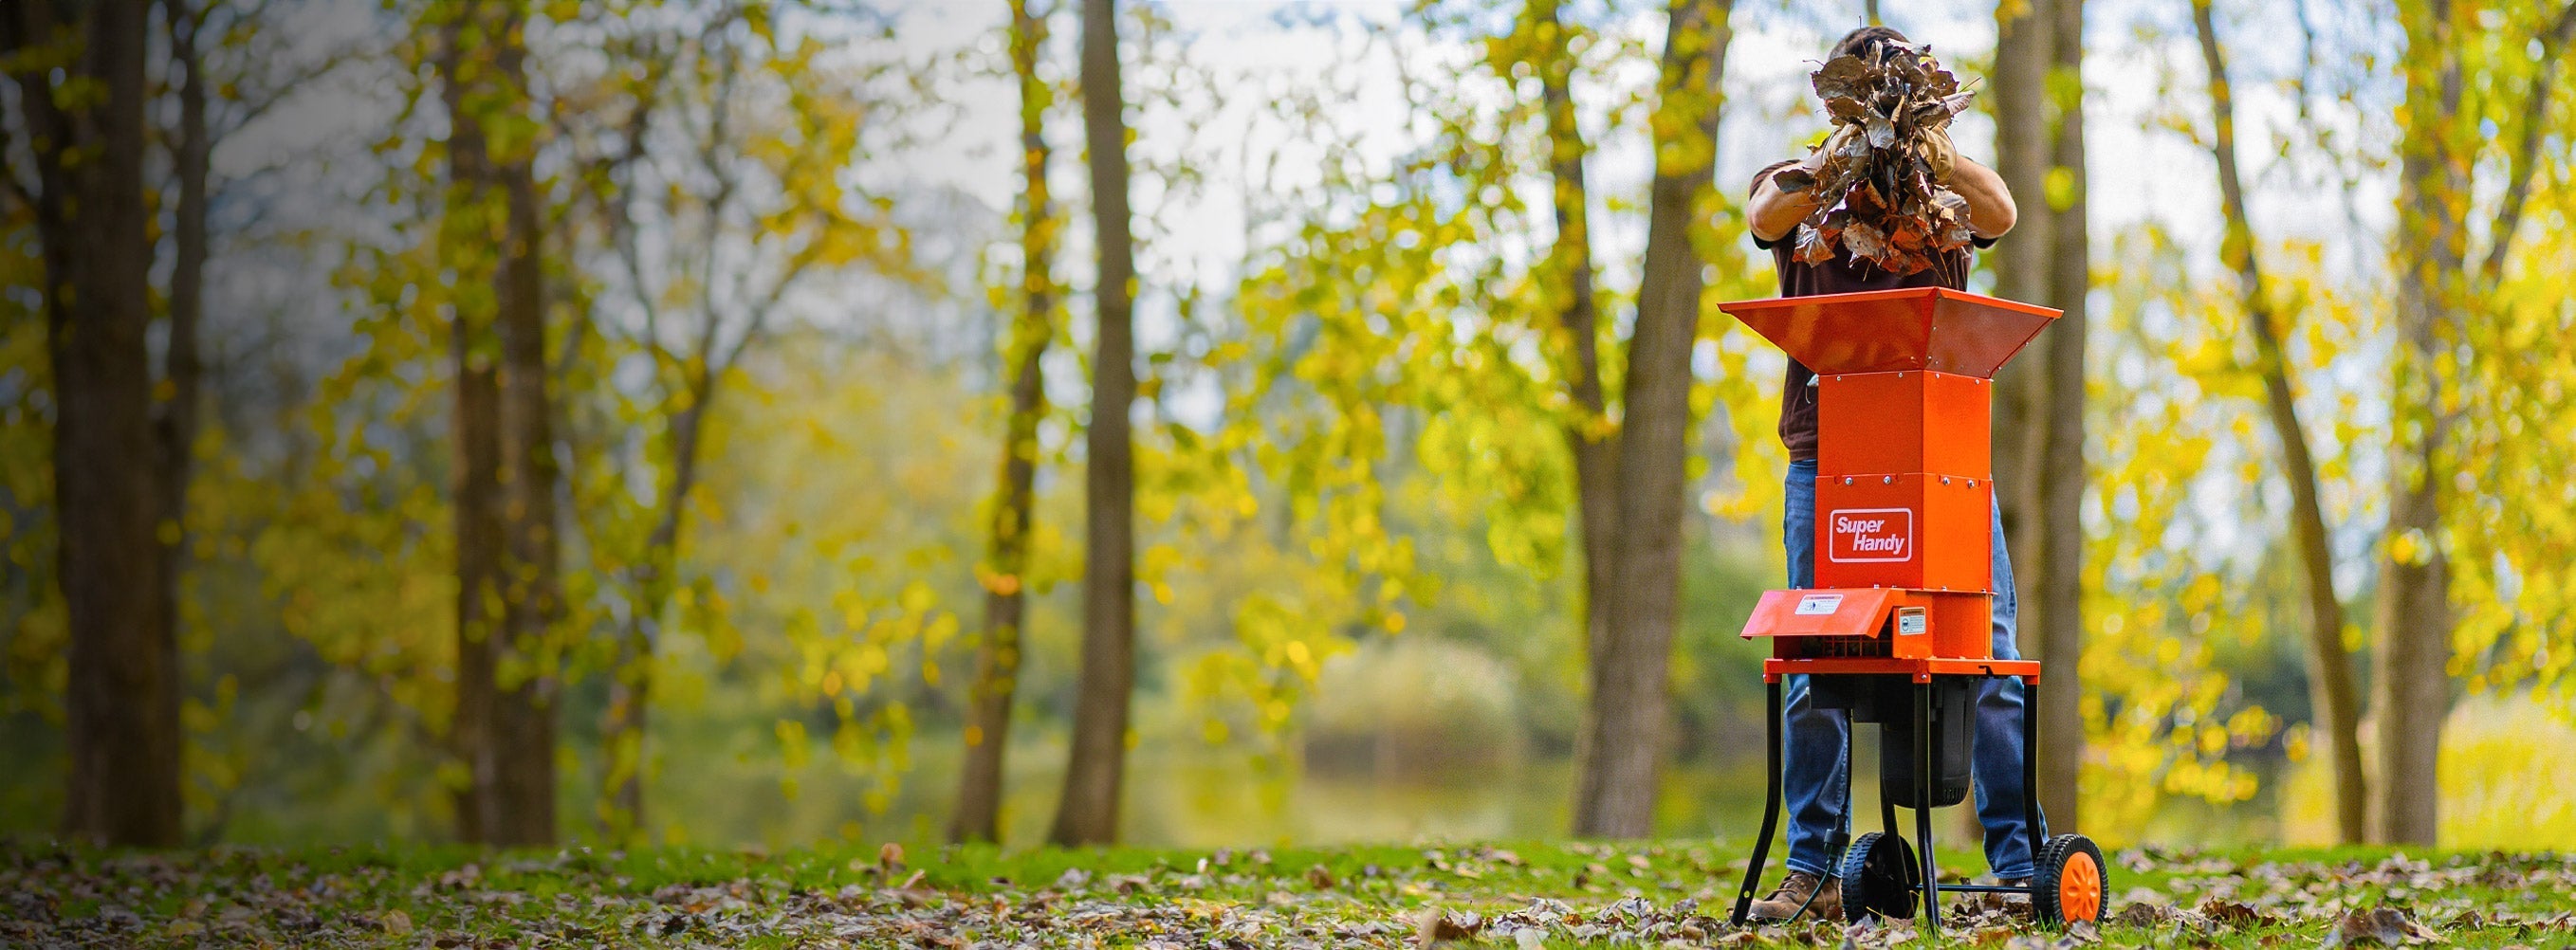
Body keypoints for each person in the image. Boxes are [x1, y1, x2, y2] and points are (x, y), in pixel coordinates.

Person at [1737, 25, 2040, 923]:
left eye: (1895, 79)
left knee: (1987, 649)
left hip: (1940, 460)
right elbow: (1764, 216)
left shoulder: (1947, 194)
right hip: (1825, 458)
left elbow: (2002, 213)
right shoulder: (1801, 181)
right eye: (1864, 80)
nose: (1880, 92)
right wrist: (1836, 158)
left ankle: (2020, 866)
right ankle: (1815, 868)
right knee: (1814, 653)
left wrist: (1930, 152)